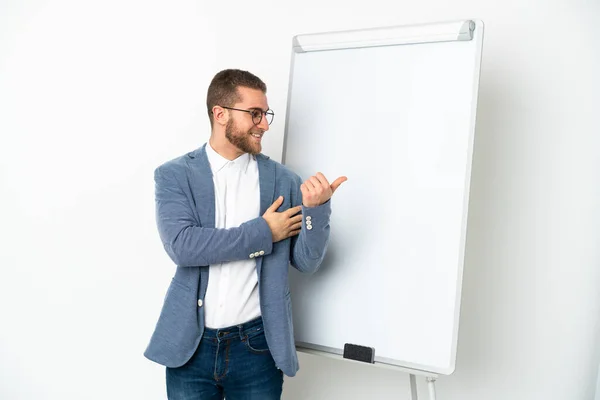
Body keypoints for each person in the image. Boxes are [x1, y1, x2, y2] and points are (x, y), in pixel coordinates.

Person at [144, 68, 346, 399]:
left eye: (266, 114)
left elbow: (307, 262)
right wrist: (264, 231)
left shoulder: (283, 181)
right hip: (190, 347)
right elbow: (184, 246)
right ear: (220, 114)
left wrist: (317, 210)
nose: (264, 124)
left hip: (256, 346)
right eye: (254, 114)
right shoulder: (174, 175)